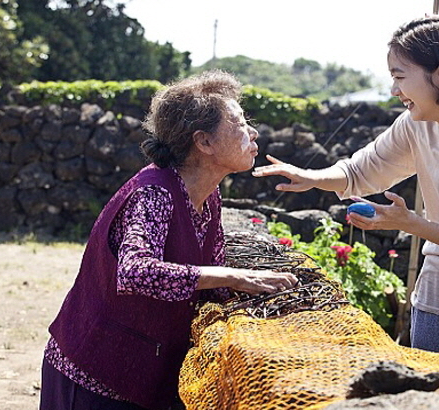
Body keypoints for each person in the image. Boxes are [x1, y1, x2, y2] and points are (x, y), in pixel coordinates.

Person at [252, 15, 439, 410]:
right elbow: (362, 171)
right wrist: (310, 177)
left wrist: (413, 224)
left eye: (400, 76)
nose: (394, 90)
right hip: (435, 303)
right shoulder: (418, 126)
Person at [40, 70, 298, 410]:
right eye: (238, 123)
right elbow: (135, 272)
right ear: (203, 142)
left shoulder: (208, 195)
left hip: (140, 374)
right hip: (92, 375)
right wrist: (235, 277)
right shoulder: (155, 193)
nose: (252, 132)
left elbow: (212, 271)